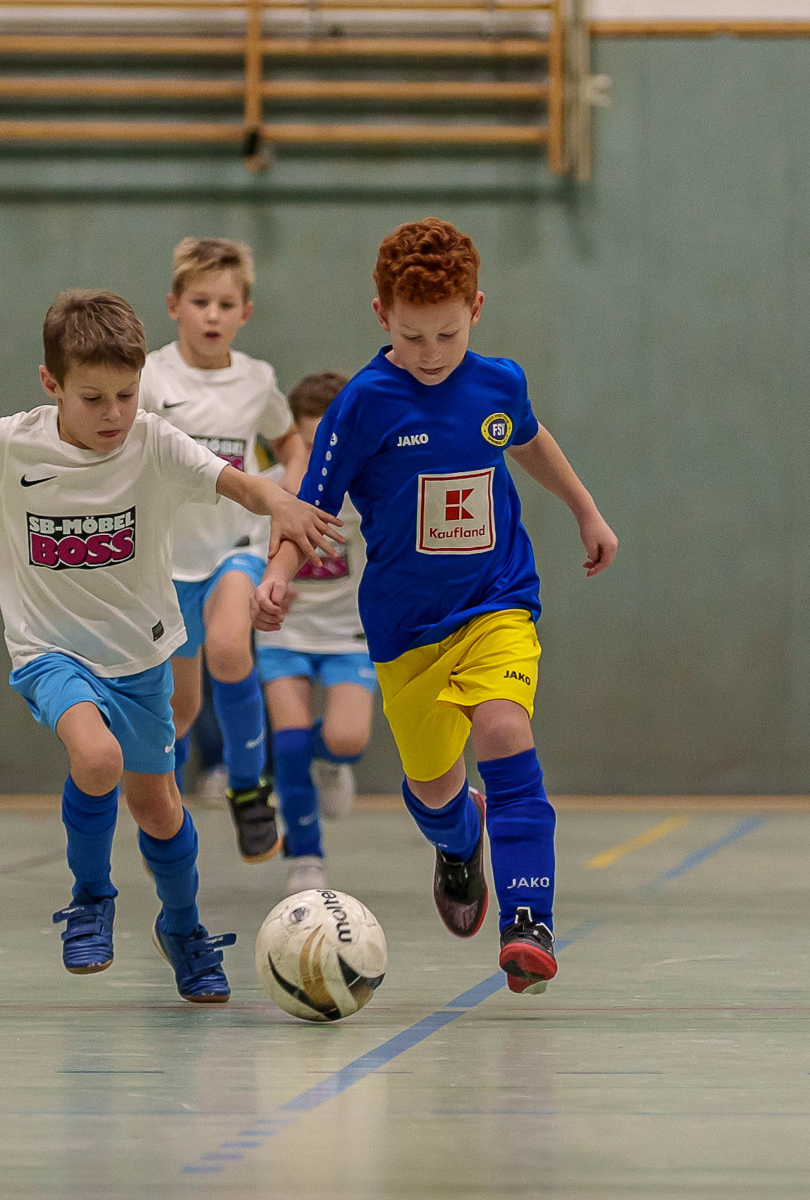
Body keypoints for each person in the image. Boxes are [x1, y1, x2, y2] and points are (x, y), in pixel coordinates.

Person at [0, 289, 339, 1001]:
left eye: (126, 395)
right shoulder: (13, 443)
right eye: (93, 398)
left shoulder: (153, 441)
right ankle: (91, 899)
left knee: (158, 809)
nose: (113, 414)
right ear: (51, 384)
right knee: (97, 759)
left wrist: (281, 500)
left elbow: (236, 483)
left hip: (141, 656)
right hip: (49, 652)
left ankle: (183, 928)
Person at [255, 218, 618, 995]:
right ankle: (460, 842)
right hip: (405, 628)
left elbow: (528, 439)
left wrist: (585, 510)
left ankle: (529, 921)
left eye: (447, 335)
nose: (430, 353)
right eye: (413, 336)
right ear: (382, 316)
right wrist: (278, 571)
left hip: (496, 600)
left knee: (504, 728)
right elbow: (312, 501)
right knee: (432, 787)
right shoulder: (362, 404)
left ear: (476, 310)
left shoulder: (498, 383)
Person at [141, 236, 309, 864]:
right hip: (165, 561)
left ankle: (248, 788)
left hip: (235, 547)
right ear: (174, 306)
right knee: (180, 704)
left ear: (246, 313)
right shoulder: (150, 377)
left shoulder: (257, 380)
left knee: (232, 648)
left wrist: (288, 490)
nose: (212, 315)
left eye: (226, 304)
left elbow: (289, 442)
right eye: (199, 301)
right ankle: (161, 802)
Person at [256, 370, 375, 894]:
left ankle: (330, 763)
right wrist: (263, 582)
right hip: (285, 632)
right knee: (289, 742)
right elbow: (239, 550)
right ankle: (305, 856)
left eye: (330, 442)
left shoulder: (368, 485)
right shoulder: (274, 487)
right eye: (308, 444)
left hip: (349, 631)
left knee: (346, 739)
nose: (320, 454)